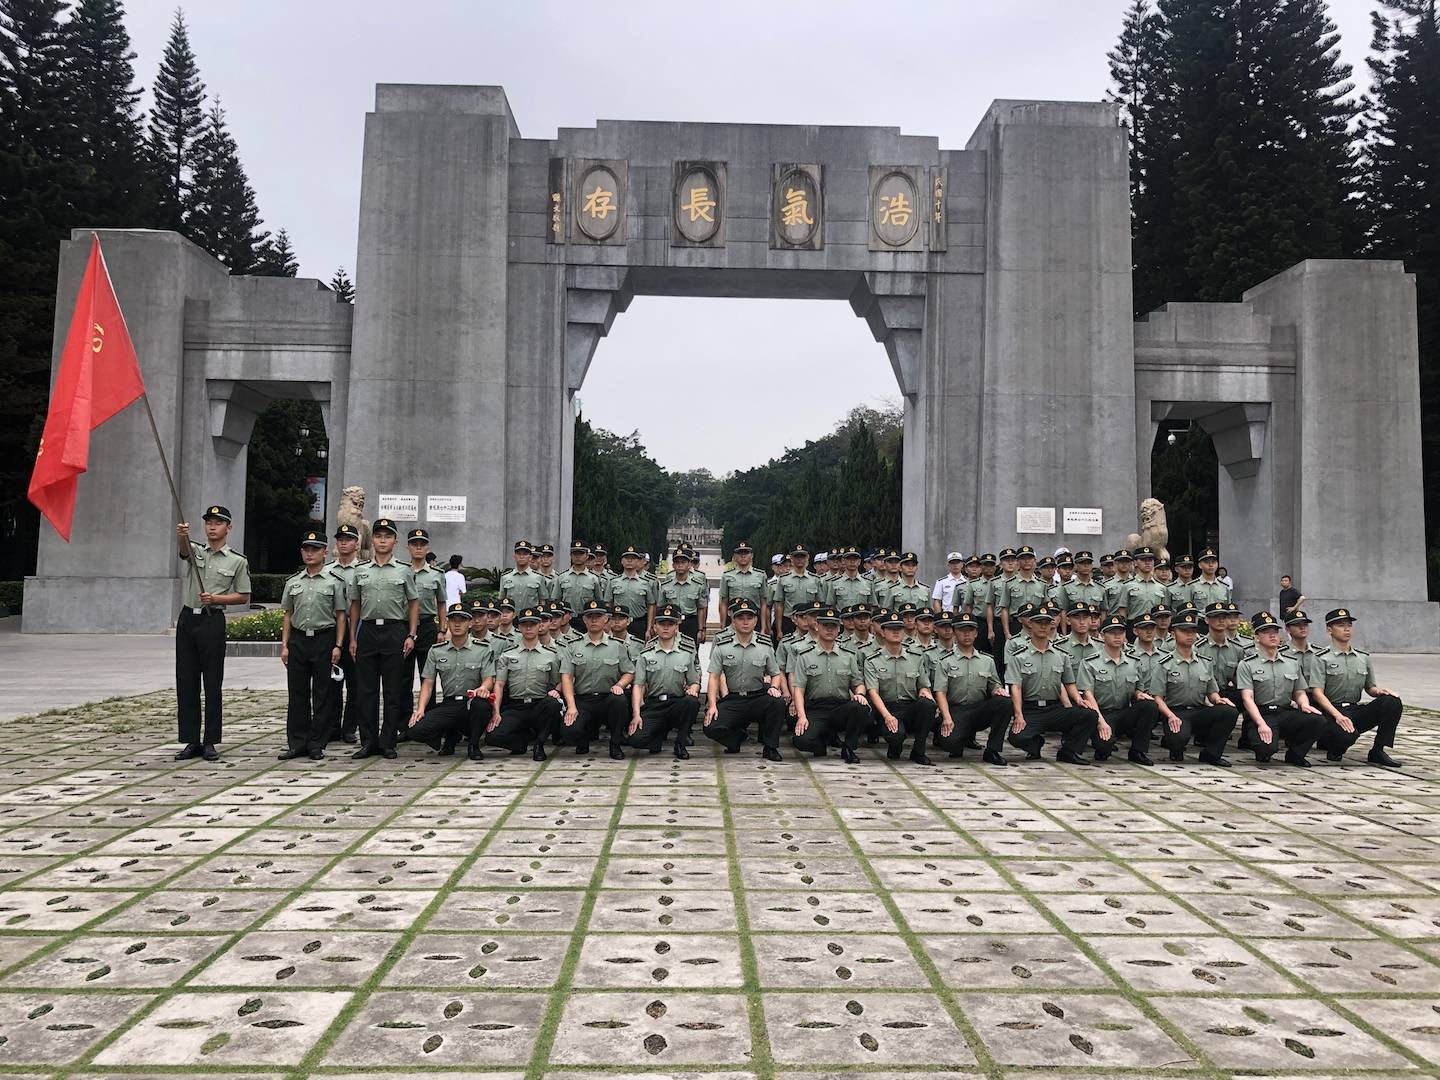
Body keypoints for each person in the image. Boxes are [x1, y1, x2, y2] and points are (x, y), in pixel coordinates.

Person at [174, 504, 252, 763]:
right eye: (208, 522)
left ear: (228, 528)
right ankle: (191, 740)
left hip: (212, 620)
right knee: (187, 682)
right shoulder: (196, 550)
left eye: (218, 522)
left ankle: (210, 741)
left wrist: (217, 598)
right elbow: (184, 551)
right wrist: (182, 535)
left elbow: (243, 596)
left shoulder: (237, 561)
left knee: (212, 684)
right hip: (188, 620)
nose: (211, 526)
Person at [347, 517, 419, 760]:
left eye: (387, 536)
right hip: (367, 632)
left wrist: (411, 634)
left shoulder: (403, 570)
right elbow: (355, 605)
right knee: (365, 690)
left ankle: (388, 742)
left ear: (395, 541)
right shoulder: (361, 570)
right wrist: (353, 638)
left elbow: (413, 603)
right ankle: (368, 742)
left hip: (394, 632)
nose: (382, 540)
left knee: (392, 690)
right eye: (378, 536)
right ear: (373, 539)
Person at [278, 529, 346, 762]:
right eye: (306, 549)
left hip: (323, 639)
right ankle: (297, 743)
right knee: (297, 694)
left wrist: (338, 645)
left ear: (325, 552)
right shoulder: (293, 582)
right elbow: (288, 614)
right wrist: (284, 645)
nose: (310, 553)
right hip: (298, 640)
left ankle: (317, 742)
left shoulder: (334, 582)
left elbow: (340, 615)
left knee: (322, 694)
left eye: (315, 549)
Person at [1004, 603, 1100, 765]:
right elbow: (1016, 686)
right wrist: (1018, 715)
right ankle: (1035, 744)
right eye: (1038, 622)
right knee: (1017, 737)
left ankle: (1069, 751)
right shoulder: (1019, 656)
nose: (1043, 626)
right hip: (1031, 709)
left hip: (1054, 708)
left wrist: (1078, 700)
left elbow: (1069, 683)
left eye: (1046, 623)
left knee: (1089, 714)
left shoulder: (1061, 655)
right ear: (1030, 624)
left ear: (1051, 625)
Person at [1312, 608, 1404, 767]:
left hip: (1354, 711)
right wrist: (1337, 716)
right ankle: (1333, 745)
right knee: (1346, 736)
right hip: (1331, 712)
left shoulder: (1363, 658)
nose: (1346, 629)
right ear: (1329, 630)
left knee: (1392, 701)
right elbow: (1317, 693)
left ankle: (1378, 750)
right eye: (1340, 625)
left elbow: (1370, 688)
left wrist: (1380, 691)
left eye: (1349, 625)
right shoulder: (1321, 658)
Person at [1234, 610, 1324, 766]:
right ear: (1257, 637)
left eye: (1275, 631)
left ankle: (1296, 754)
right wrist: (1261, 724)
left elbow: (1300, 691)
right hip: (1261, 713)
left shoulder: (1291, 662)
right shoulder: (1247, 664)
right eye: (1266, 632)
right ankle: (1256, 740)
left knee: (1317, 720)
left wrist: (1304, 705)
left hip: (1284, 711)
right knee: (1265, 751)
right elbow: (1247, 698)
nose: (1272, 635)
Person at [406, 603, 492, 759]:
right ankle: (447, 736)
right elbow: (428, 683)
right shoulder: (436, 650)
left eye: (462, 620)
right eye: (453, 620)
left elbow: (489, 678)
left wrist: (483, 688)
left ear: (470, 623)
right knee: (415, 730)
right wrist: (420, 709)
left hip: (471, 703)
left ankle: (473, 745)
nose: (457, 624)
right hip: (449, 703)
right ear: (447, 623)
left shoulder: (483, 649)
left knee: (482, 706)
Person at [704, 598, 786, 761]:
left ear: (756, 620)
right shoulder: (723, 645)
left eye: (749, 618)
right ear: (733, 620)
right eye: (741, 618)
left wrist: (775, 688)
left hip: (757, 696)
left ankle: (770, 747)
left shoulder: (765, 645)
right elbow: (713, 677)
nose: (745, 622)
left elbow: (776, 673)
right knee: (710, 726)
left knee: (777, 703)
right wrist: (712, 705)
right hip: (734, 698)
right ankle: (735, 739)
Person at [552, 598, 634, 758]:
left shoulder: (617, 646)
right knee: (568, 732)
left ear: (606, 619)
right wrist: (571, 706)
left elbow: (629, 672)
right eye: (590, 616)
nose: (594, 620)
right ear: (584, 619)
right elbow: (566, 677)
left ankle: (615, 744)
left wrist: (620, 685)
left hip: (607, 699)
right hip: (583, 701)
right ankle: (583, 740)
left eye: (598, 616)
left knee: (620, 700)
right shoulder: (573, 646)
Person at [1155, 608, 1239, 764]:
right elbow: (1158, 698)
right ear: (1173, 634)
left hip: (1199, 711)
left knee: (1229, 711)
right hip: (1176, 712)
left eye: (1192, 631)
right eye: (1184, 631)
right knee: (1179, 739)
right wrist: (1170, 716)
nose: (1189, 635)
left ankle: (1212, 754)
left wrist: (1218, 700)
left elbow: (1212, 691)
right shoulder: (1165, 664)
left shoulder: (1204, 662)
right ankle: (1174, 746)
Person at [790, 605, 870, 763]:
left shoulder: (849, 656)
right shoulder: (805, 656)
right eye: (825, 625)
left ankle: (848, 748)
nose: (829, 630)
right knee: (801, 741)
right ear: (817, 626)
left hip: (840, 707)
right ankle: (821, 741)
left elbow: (858, 683)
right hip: (816, 709)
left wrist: (860, 694)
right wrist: (802, 717)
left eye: (833, 626)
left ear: (839, 629)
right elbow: (798, 690)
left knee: (861, 707)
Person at [621, 604, 701, 759]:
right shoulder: (645, 654)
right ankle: (657, 734)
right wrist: (636, 715)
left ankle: (681, 743)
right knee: (635, 740)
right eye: (662, 624)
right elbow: (638, 685)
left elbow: (694, 680)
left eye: (670, 624)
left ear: (676, 627)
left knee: (691, 702)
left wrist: (694, 689)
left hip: (676, 703)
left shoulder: (686, 653)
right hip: (654, 704)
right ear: (655, 627)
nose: (666, 628)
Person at [932, 611, 1011, 764]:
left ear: (976, 634)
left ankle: (992, 750)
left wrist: (997, 690)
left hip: (978, 709)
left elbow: (994, 683)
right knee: (949, 743)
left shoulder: (987, 660)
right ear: (955, 633)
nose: (966, 634)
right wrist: (946, 717)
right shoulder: (945, 661)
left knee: (1004, 702)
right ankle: (960, 739)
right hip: (956, 710)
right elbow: (940, 692)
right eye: (962, 630)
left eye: (970, 630)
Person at [1077, 614, 1158, 764]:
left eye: (1120, 632)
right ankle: (1102, 744)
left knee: (1149, 705)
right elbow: (1088, 696)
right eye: (1112, 633)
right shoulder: (1090, 663)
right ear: (1102, 635)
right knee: (1104, 748)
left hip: (1123, 713)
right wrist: (1101, 722)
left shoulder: (1134, 662)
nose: (1117, 636)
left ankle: (1138, 751)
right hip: (1100, 714)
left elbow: (1138, 689)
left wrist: (1139, 694)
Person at [485, 606, 563, 760]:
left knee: (554, 704)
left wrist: (557, 691)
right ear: (519, 627)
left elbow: (559, 681)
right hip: (516, 706)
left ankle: (539, 744)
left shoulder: (551, 655)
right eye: (525, 624)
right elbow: (499, 685)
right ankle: (522, 743)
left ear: (539, 625)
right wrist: (496, 712)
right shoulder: (508, 654)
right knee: (492, 737)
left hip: (539, 705)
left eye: (533, 624)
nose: (528, 628)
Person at [863, 609, 936, 766]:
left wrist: (925, 693)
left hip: (909, 707)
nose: (896, 632)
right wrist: (887, 716)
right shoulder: (872, 660)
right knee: (895, 736)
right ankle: (895, 746)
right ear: (882, 632)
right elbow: (873, 692)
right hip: (887, 708)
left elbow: (923, 685)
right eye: (891, 629)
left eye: (899, 629)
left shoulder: (916, 657)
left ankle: (919, 751)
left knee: (928, 704)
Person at [325, 523, 364, 745]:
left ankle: (350, 727)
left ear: (356, 544)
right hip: (332, 628)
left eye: (348, 539)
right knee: (332, 681)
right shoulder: (327, 570)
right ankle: (332, 726)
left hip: (356, 629)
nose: (343, 543)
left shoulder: (364, 570)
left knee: (355, 682)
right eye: (340, 539)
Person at [404, 528, 448, 696]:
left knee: (427, 674)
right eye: (414, 544)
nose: (418, 548)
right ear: (408, 547)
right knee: (403, 676)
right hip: (405, 627)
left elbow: (442, 603)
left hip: (428, 627)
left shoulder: (436, 574)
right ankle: (404, 719)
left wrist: (442, 630)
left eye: (422, 544)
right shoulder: (402, 571)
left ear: (428, 548)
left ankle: (427, 717)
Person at [659, 547, 709, 643]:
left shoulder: (698, 585)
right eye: (677, 563)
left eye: (683, 562)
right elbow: (660, 607)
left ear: (689, 564)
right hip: (670, 622)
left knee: (691, 653)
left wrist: (701, 629)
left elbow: (701, 608)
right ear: (673, 565)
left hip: (690, 622)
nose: (680, 565)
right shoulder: (666, 585)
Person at [718, 541, 768, 628]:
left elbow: (763, 603)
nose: (743, 556)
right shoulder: (727, 576)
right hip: (733, 617)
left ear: (752, 556)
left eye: (746, 553)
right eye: (740, 553)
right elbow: (723, 602)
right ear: (734, 557)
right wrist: (723, 624)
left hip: (753, 617)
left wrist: (763, 627)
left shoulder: (760, 575)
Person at [554, 540, 604, 612]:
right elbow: (556, 600)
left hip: (586, 617)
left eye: (581, 553)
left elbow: (599, 601)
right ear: (570, 555)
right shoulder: (562, 577)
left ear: (587, 556)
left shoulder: (594, 578)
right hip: (566, 617)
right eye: (575, 553)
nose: (578, 556)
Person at [499, 540, 547, 610]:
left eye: (525, 554)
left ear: (530, 557)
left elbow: (542, 601)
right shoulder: (505, 577)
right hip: (511, 618)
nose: (521, 556)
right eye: (518, 554)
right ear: (514, 556)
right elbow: (501, 600)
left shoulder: (539, 577)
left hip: (531, 618)